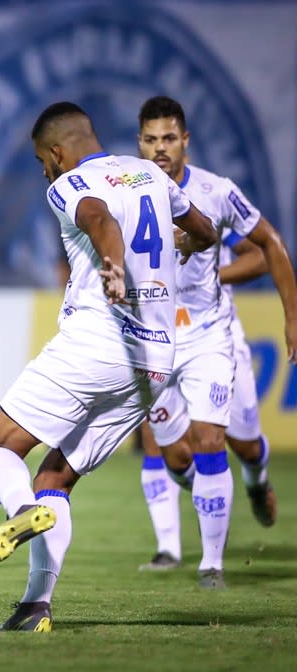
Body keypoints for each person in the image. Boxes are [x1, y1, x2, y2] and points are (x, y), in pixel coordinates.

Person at [0, 101, 216, 632]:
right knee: (54, 477)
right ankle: (36, 606)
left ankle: (18, 513)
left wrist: (112, 266)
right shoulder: (150, 172)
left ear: (57, 153)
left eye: (42, 160)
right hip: (155, 362)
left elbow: (99, 218)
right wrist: (187, 243)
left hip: (98, 342)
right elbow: (205, 229)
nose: (44, 172)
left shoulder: (68, 184)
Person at [134, 96, 297, 585]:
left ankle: (212, 563)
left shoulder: (215, 190)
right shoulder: (127, 190)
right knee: (174, 456)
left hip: (209, 334)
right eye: (150, 139)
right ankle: (174, 541)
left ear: (185, 140)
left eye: (168, 138)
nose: (160, 149)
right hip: (154, 338)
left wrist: (292, 317)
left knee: (229, 443)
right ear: (138, 143)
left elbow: (269, 244)